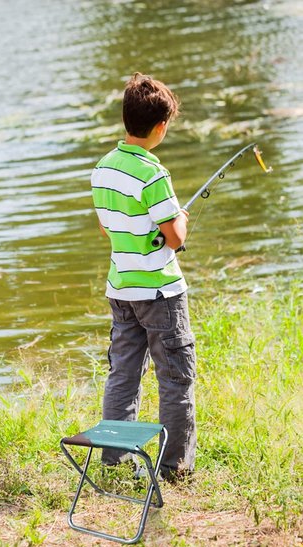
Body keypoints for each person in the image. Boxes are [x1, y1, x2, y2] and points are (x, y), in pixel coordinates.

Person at [91, 73, 196, 480]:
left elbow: (109, 227)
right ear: (161, 127)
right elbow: (173, 236)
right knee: (175, 377)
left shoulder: (102, 169)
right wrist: (181, 218)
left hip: (121, 289)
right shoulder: (154, 173)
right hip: (160, 292)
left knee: (123, 374)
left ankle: (115, 462)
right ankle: (174, 467)